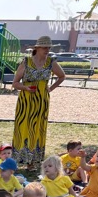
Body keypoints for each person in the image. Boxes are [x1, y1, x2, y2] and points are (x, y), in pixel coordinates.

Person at [12, 35, 66, 170]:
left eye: (48, 47)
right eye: (44, 47)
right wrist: (25, 88)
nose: (47, 50)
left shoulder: (51, 62)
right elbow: (15, 83)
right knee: (23, 127)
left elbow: (62, 76)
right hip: (26, 100)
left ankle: (33, 162)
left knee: (38, 128)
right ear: (37, 48)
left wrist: (51, 88)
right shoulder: (26, 62)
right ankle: (20, 158)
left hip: (42, 100)